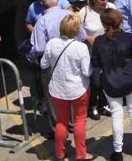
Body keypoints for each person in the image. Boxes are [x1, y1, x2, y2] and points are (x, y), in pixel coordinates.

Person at [91, 8, 132, 161]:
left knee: (117, 115)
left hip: (110, 83)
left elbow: (95, 63)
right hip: (130, 80)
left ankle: (117, 151)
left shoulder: (99, 41)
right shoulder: (128, 38)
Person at [42, 13, 91, 161]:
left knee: (61, 122)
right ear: (77, 30)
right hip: (78, 90)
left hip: (57, 90)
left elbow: (43, 64)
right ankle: (81, 154)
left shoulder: (51, 44)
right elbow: (87, 72)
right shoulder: (81, 48)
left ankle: (60, 154)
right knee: (79, 120)